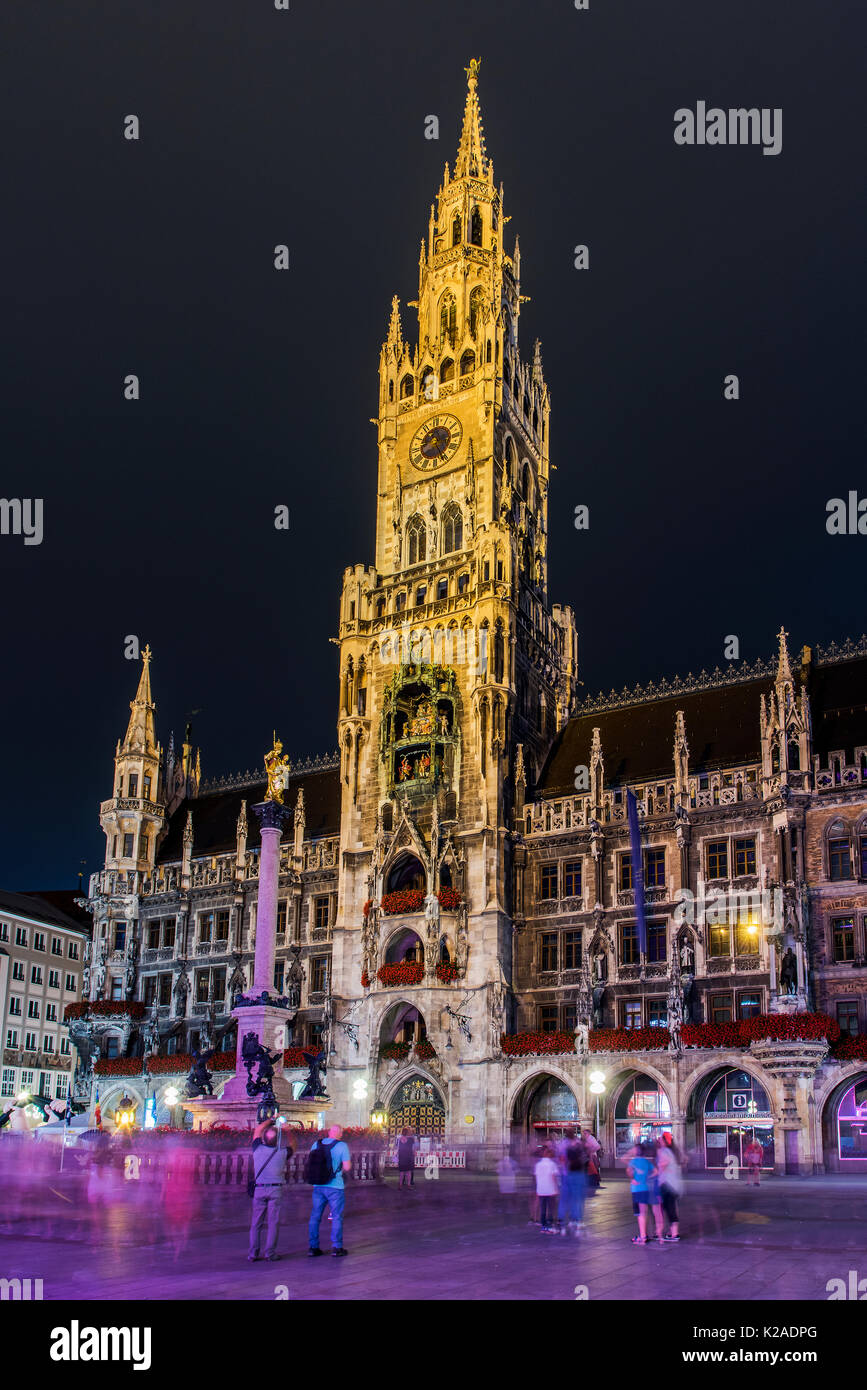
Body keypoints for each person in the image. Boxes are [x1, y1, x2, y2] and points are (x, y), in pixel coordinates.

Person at [248, 1114, 292, 1263]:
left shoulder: (257, 1149)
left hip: (259, 1189)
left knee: (256, 1223)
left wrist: (271, 1120)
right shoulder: (282, 1152)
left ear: (264, 1139)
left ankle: (253, 1253)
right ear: (276, 1141)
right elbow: (294, 1145)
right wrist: (287, 1130)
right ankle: (270, 1253)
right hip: (275, 1189)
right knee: (273, 1223)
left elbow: (258, 1130)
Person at [308, 1124, 352, 1257]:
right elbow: (347, 1167)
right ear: (339, 1133)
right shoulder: (342, 1146)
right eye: (341, 1133)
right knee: (337, 1216)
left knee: (315, 1216)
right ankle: (337, 1247)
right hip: (335, 1186)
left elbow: (310, 1162)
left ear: (329, 1132)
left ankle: (313, 1247)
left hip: (318, 1185)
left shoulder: (316, 1144)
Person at [627, 1141, 662, 1245]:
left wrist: (632, 1178)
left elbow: (628, 1171)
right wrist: (648, 1177)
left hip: (637, 1190)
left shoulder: (633, 1161)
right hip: (645, 1188)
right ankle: (644, 1234)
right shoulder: (647, 1162)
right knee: (644, 1212)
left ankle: (642, 1236)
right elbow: (656, 1171)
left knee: (640, 1214)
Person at [557, 1128, 587, 1237]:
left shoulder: (563, 1145)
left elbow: (560, 1159)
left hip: (567, 1173)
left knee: (566, 1198)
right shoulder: (577, 1143)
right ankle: (575, 1220)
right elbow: (584, 1157)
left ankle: (564, 1220)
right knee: (576, 1198)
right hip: (575, 1174)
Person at [656, 1133, 684, 1242]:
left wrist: (658, 1173)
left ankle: (674, 1234)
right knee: (671, 1208)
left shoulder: (665, 1151)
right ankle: (672, 1232)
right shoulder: (672, 1151)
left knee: (669, 1209)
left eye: (660, 1139)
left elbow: (663, 1164)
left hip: (668, 1184)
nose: (659, 1141)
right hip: (674, 1184)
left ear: (664, 1141)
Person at [534, 1144, 560, 1234]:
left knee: (542, 1208)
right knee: (550, 1207)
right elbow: (553, 1177)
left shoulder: (538, 1164)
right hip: (550, 1189)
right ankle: (549, 1226)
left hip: (541, 1189)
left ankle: (543, 1226)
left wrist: (538, 1189)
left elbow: (537, 1177)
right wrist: (556, 1188)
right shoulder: (552, 1164)